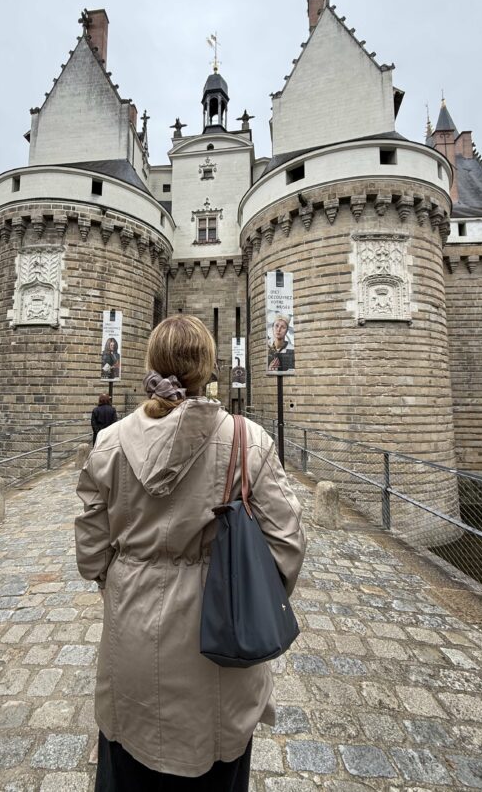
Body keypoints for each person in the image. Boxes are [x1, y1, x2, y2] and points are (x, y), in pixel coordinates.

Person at [76, 314, 306, 790]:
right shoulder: (249, 440)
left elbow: (91, 555)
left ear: (151, 364)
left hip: (133, 639)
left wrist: (123, 583)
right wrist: (246, 596)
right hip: (221, 644)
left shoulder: (109, 443)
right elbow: (287, 547)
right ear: (209, 368)